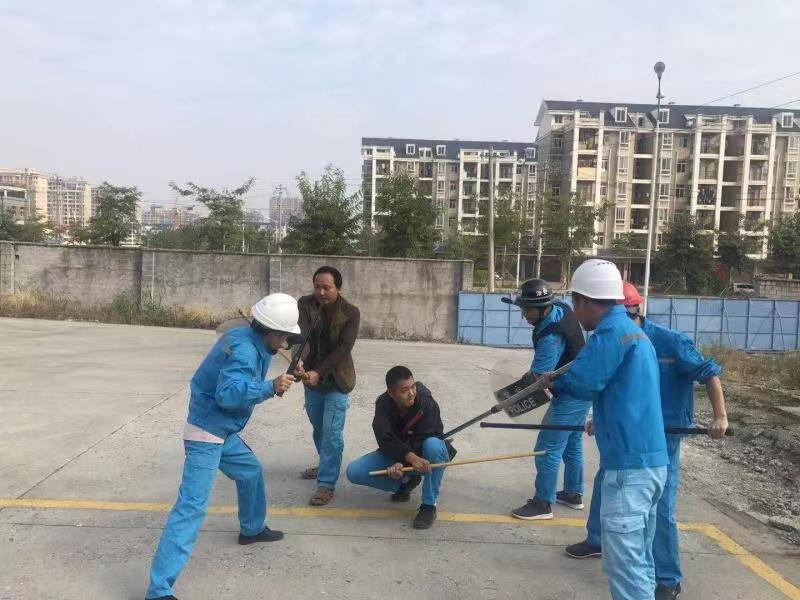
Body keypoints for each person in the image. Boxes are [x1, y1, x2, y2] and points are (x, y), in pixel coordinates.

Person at [567, 281, 728, 600]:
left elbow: (709, 373)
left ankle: (667, 578)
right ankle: (600, 541)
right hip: (627, 441)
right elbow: (614, 388)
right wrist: (600, 419)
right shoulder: (618, 340)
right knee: (607, 487)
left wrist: (720, 416)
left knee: (661, 507)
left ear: (631, 310)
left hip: (662, 439)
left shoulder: (667, 341)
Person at [145, 293, 301, 600]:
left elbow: (254, 358)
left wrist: (288, 366)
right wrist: (272, 386)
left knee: (250, 471)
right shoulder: (245, 350)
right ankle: (158, 590)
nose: (285, 343)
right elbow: (229, 394)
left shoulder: (248, 336)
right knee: (191, 508)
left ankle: (252, 528)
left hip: (223, 430)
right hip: (206, 433)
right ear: (271, 331)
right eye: (283, 337)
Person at [539, 259, 668, 600]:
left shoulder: (609, 334)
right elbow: (625, 391)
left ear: (584, 301)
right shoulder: (636, 332)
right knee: (640, 562)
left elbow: (582, 383)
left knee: (624, 569)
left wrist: (552, 383)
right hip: (652, 464)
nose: (575, 316)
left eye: (574, 304)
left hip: (629, 470)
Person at [501, 279, 589, 520]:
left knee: (546, 449)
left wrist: (509, 399)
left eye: (529, 309)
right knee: (572, 444)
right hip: (583, 390)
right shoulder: (561, 309)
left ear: (543, 308)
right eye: (523, 308)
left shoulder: (550, 338)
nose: (525, 314)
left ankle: (542, 504)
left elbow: (538, 380)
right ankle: (573, 493)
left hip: (570, 394)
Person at [345, 366, 452, 529]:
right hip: (402, 454)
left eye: (413, 387)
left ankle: (429, 506)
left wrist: (408, 459)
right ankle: (406, 481)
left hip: (426, 454)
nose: (411, 393)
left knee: (434, 446)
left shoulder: (426, 402)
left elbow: (426, 436)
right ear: (391, 393)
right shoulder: (383, 403)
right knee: (354, 472)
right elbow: (384, 437)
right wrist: (400, 462)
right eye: (404, 390)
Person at [296, 266, 361, 506]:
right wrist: (299, 359)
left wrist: (319, 372)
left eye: (327, 287)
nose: (321, 292)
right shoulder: (305, 304)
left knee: (331, 433)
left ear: (338, 287)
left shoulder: (350, 312)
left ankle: (326, 484)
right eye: (317, 287)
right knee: (319, 429)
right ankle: (326, 463)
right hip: (310, 380)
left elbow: (344, 348)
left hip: (337, 381)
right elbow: (300, 336)